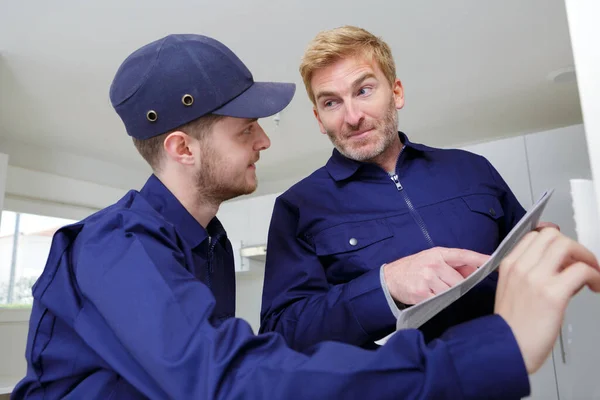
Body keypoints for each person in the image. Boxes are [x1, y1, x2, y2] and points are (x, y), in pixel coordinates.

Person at [12, 33, 596, 400]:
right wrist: (492, 350)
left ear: (395, 92)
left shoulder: (207, 243)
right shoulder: (116, 247)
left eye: (363, 91)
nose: (265, 140)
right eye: (245, 129)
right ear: (182, 148)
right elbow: (237, 379)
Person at [259, 25, 558, 350]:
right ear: (319, 119)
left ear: (396, 92)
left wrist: (540, 251)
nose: (353, 116)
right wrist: (385, 285)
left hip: (496, 375)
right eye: (332, 103)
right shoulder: (298, 207)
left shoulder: (473, 170)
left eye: (363, 91)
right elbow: (282, 333)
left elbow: (519, 261)